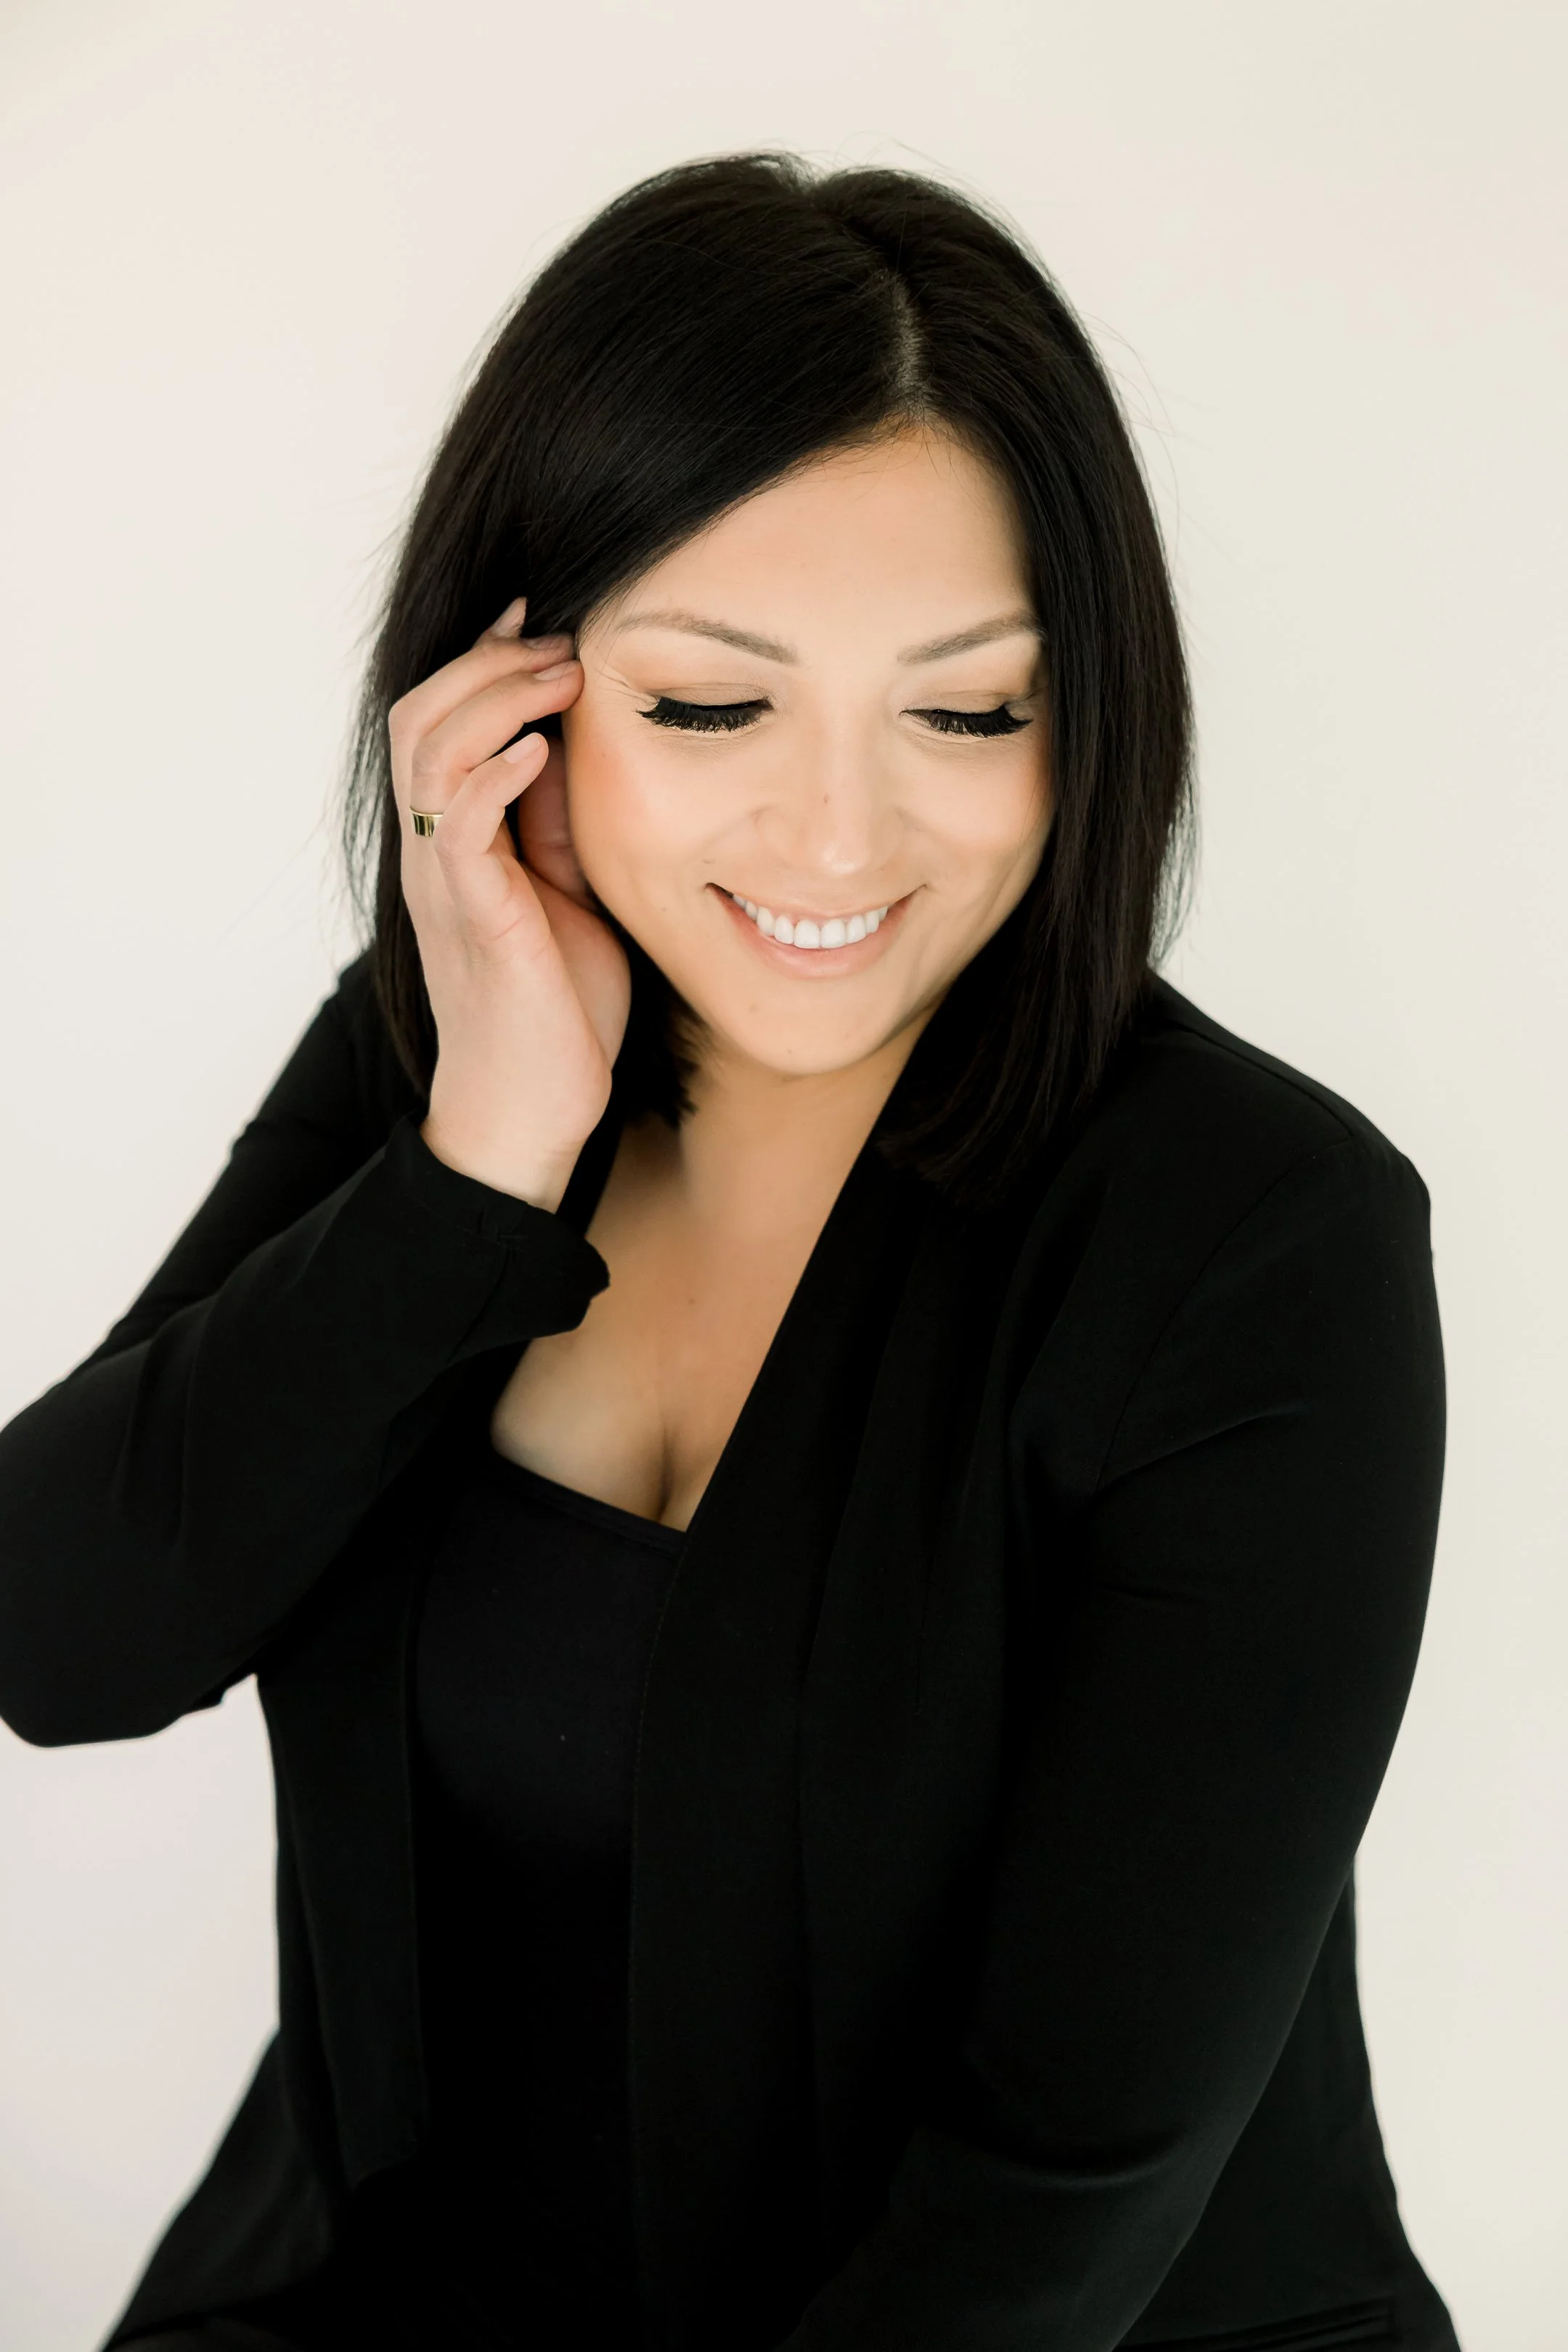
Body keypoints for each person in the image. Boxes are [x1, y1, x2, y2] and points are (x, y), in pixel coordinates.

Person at [0, 152, 1461, 2352]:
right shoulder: (454, 1050)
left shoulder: (1263, 1240)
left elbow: (1054, 2197)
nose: (843, 838)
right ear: (513, 700)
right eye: (712, 707)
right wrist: (482, 1158)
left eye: (969, 712)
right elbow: (65, 1634)